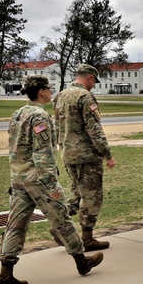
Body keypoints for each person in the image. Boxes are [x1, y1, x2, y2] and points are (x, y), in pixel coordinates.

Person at [0, 75, 104, 284]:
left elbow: (13, 148)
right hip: (38, 179)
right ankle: (81, 261)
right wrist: (51, 183)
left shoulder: (18, 114)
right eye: (48, 89)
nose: (50, 92)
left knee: (15, 225)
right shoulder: (39, 116)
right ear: (42, 91)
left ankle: (6, 274)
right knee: (62, 219)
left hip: (19, 179)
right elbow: (43, 152)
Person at [54, 64, 115, 251]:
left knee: (76, 193)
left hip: (68, 154)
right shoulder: (85, 97)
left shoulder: (60, 96)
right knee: (91, 196)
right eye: (94, 81)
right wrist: (107, 154)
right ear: (89, 77)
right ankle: (87, 238)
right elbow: (94, 129)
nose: (93, 85)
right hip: (86, 156)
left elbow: (56, 126)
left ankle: (59, 228)